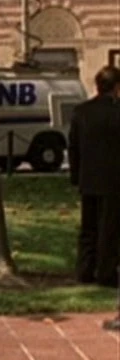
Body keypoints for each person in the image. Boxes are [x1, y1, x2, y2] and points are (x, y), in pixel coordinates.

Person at [68, 65, 120, 289]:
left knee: (88, 226)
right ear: (116, 87)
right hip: (114, 179)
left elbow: (73, 146)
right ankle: (107, 272)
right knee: (110, 227)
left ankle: (85, 269)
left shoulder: (81, 112)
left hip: (88, 177)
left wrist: (75, 175)